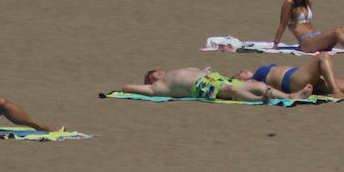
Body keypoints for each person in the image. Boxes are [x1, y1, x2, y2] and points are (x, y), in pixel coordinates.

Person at [236, 54, 344, 99]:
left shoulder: (258, 74)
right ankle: (335, 92)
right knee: (322, 57)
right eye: (240, 72)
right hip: (292, 81)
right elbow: (251, 90)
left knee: (340, 82)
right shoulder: (255, 80)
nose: (243, 68)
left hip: (299, 77)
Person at [120, 67, 302, 103]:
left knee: (260, 85)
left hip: (215, 78)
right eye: (153, 74)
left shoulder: (174, 72)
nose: (158, 72)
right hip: (201, 87)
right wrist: (138, 87)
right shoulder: (159, 87)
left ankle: (290, 96)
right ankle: (260, 99)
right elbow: (127, 88)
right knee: (231, 90)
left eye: (157, 70)